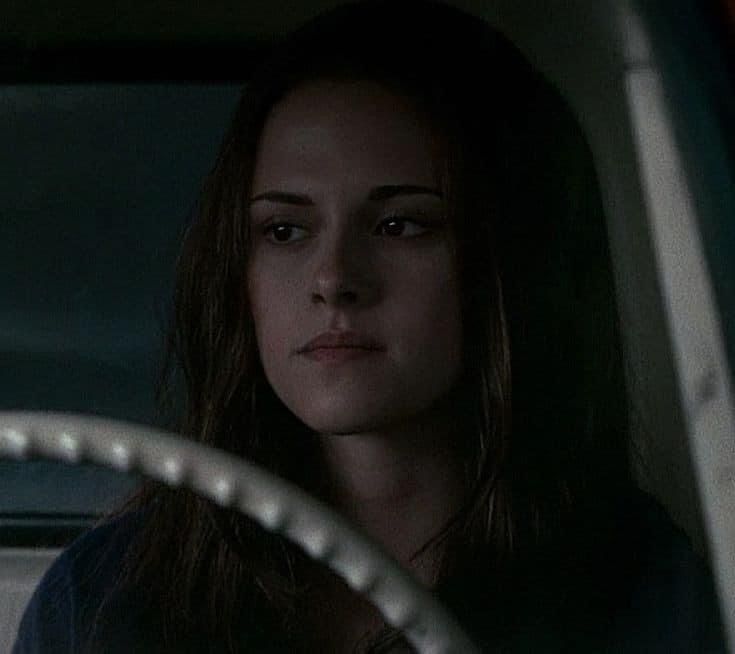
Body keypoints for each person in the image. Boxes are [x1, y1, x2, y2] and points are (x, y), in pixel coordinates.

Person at [13, 1, 726, 652]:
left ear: (504, 259)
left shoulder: (644, 596)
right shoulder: (105, 600)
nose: (333, 279)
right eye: (285, 230)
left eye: (398, 224)